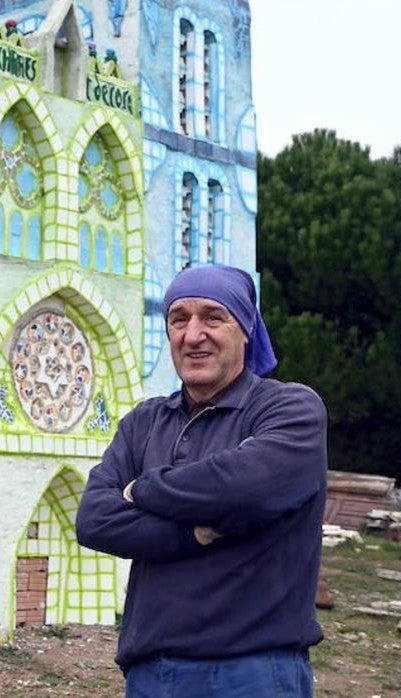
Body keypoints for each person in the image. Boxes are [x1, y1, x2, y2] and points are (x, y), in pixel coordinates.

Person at [76, 264, 327, 697]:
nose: (193, 335)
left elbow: (245, 488)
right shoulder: (143, 422)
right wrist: (196, 530)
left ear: (245, 328)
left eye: (213, 316)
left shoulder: (289, 410)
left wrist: (142, 490)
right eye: (179, 319)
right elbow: (95, 520)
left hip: (254, 674)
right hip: (153, 675)